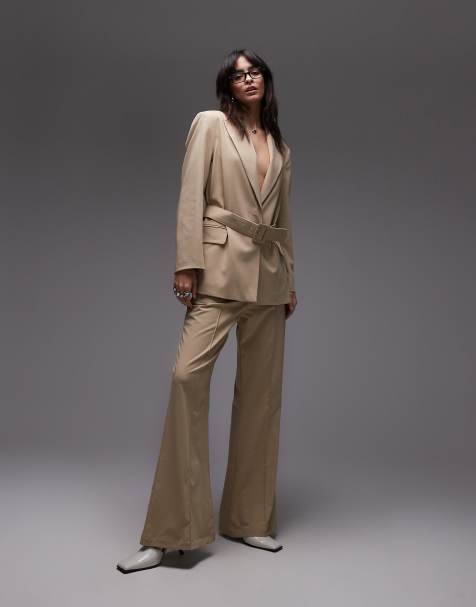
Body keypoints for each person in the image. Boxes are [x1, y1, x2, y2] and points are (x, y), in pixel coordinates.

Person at [117, 48, 298, 574]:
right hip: (217, 272)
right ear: (228, 85)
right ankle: (170, 533)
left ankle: (248, 519)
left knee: (262, 400)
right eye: (238, 75)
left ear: (265, 80)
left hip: (269, 281)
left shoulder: (281, 145)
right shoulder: (211, 125)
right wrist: (187, 262)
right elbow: (190, 195)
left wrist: (290, 279)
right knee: (186, 379)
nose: (248, 79)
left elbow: (285, 219)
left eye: (255, 72)